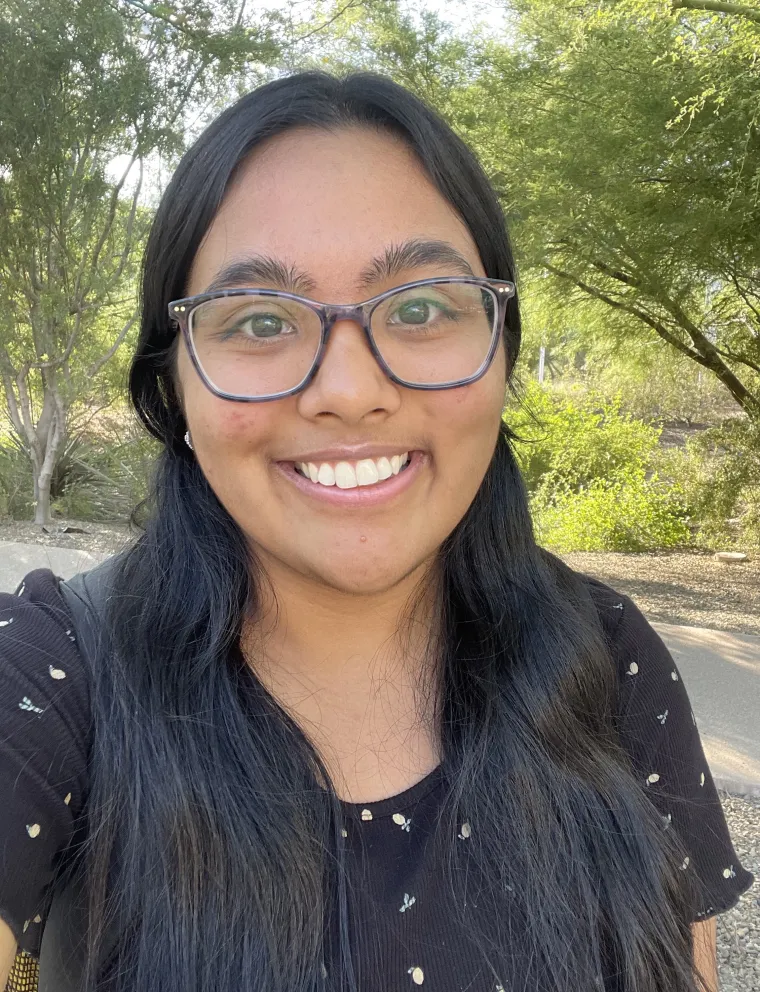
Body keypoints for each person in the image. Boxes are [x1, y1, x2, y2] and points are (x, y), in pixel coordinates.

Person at [0, 71, 754, 992]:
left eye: (423, 308)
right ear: (176, 389)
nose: (350, 390)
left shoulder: (612, 658)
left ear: (501, 354)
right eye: (263, 320)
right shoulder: (50, 672)